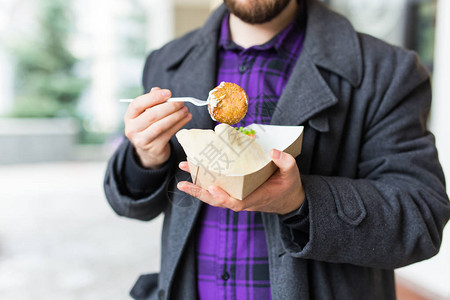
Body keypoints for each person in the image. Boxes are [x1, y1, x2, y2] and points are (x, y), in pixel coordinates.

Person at [104, 0, 450, 299]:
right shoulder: (166, 62)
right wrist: (145, 157)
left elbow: (422, 219)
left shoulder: (386, 72)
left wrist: (300, 201)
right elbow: (132, 205)